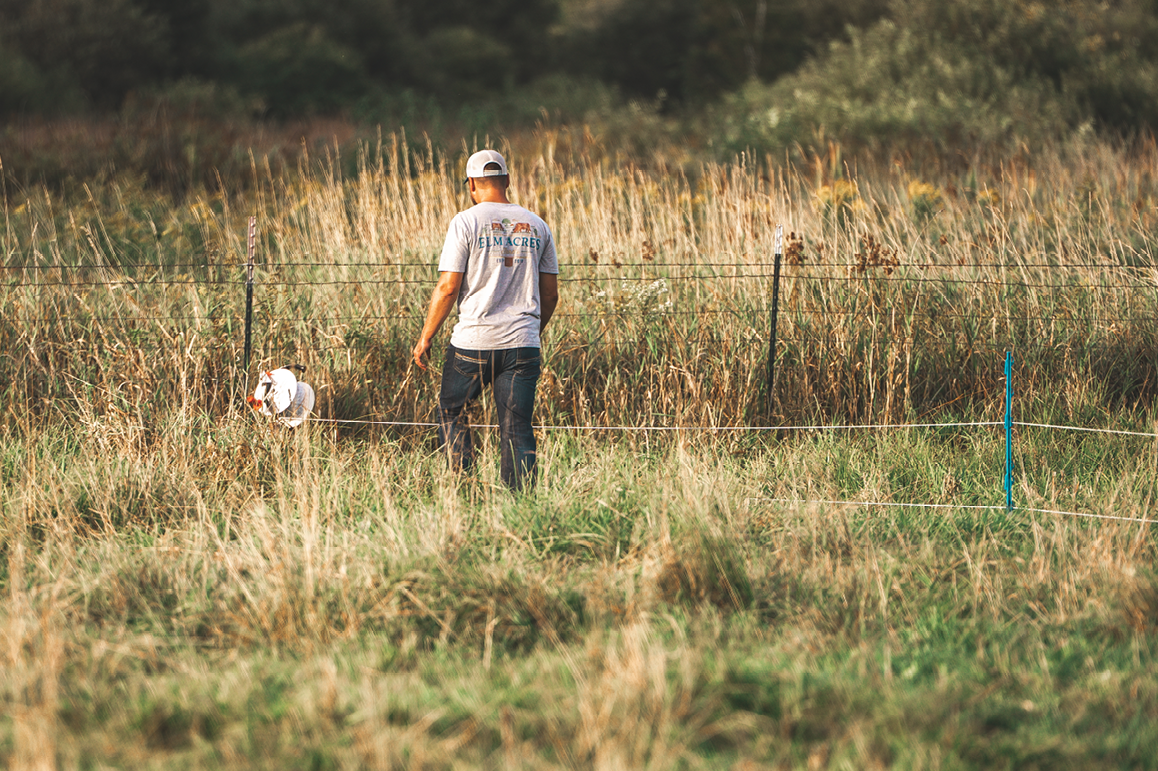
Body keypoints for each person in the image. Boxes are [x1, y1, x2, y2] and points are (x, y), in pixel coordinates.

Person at [412, 150, 559, 492]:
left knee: (452, 412)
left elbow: (448, 287)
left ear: (472, 185)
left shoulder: (465, 222)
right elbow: (550, 295)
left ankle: (466, 489)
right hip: (523, 344)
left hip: (473, 343)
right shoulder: (538, 225)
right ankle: (520, 504)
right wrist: (531, 332)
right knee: (517, 427)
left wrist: (426, 337)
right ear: (507, 181)